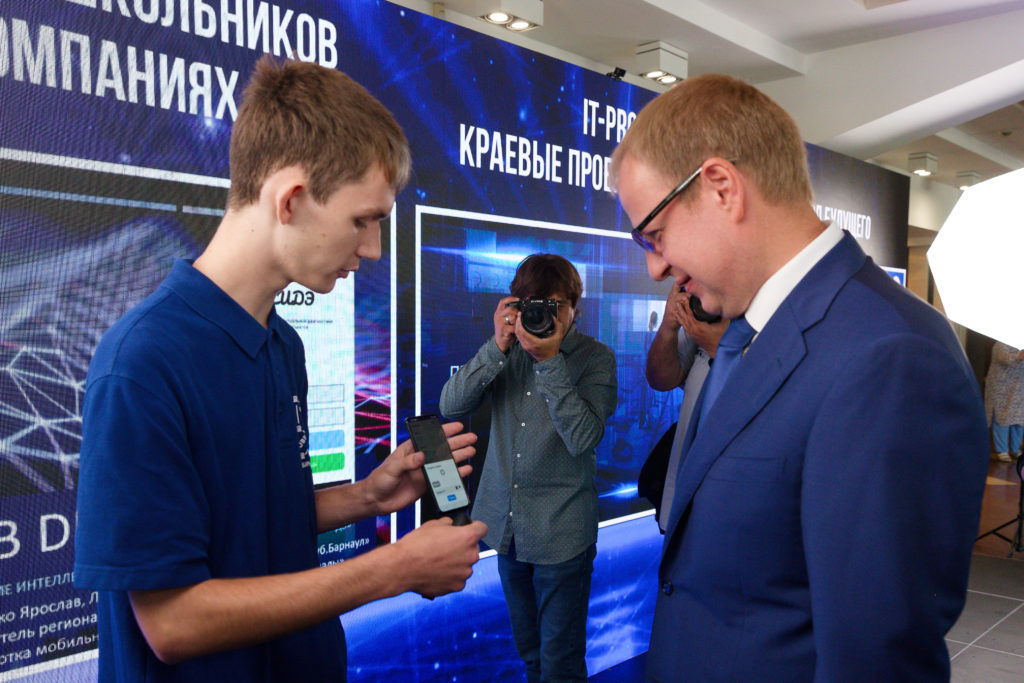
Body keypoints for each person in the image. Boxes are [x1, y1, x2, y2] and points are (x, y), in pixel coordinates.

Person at [74, 56, 487, 682]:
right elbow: (173, 623)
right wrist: (392, 569)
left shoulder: (282, 344)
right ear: (291, 199)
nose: (372, 248)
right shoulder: (142, 364)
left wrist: (367, 496)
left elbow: (251, 523)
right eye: (362, 220)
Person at [610, 74, 989, 682]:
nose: (654, 267)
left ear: (722, 188)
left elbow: (875, 662)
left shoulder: (890, 359)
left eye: (653, 235)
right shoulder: (748, 333)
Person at [438, 254, 617, 683]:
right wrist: (497, 345)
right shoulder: (506, 353)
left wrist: (549, 361)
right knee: (531, 657)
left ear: (575, 307)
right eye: (534, 305)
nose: (544, 316)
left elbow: (583, 437)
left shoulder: (596, 358)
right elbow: (450, 405)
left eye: (554, 306)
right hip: (508, 529)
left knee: (560, 664)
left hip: (562, 534)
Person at [641, 286, 727, 531]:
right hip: (686, 479)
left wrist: (720, 349)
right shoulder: (707, 308)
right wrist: (669, 326)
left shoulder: (776, 315)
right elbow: (661, 379)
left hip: (732, 491)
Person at [984, 341, 1024, 461]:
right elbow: (1006, 358)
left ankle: (1015, 449)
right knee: (1001, 418)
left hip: (1019, 389)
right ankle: (1002, 450)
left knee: (1019, 420)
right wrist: (1021, 354)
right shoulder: (1001, 344)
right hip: (1002, 387)